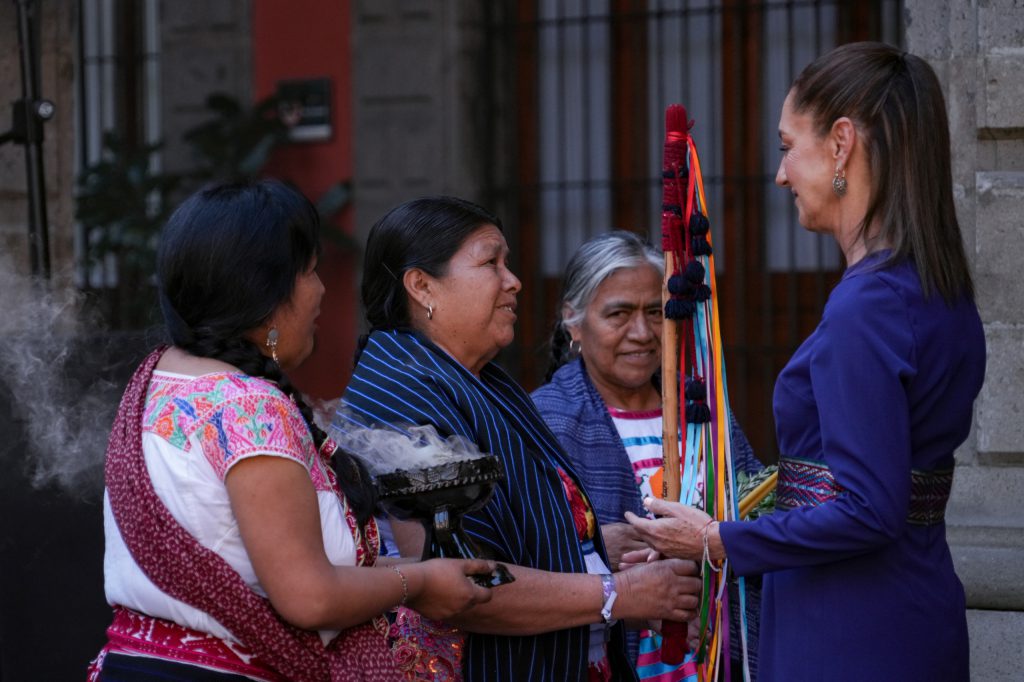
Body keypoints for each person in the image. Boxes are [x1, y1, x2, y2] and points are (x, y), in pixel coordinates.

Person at [625, 42, 985, 681]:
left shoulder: (867, 304)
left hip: (849, 626)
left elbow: (869, 508)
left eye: (789, 146)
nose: (781, 174)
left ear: (842, 143)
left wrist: (716, 541)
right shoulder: (936, 287)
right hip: (908, 606)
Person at [89, 180, 496, 681]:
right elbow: (310, 596)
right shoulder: (250, 407)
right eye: (310, 271)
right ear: (267, 293)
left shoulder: (158, 379)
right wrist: (422, 581)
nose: (322, 290)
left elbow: (268, 568)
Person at [332, 196, 704, 682]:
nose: (514, 281)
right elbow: (457, 582)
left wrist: (590, 550)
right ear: (422, 286)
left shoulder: (475, 381)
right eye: (491, 262)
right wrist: (619, 592)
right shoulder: (401, 392)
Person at [531, 230, 763, 679]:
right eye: (618, 313)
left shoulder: (704, 414)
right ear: (573, 322)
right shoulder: (545, 421)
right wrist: (598, 549)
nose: (641, 333)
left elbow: (755, 506)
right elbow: (518, 556)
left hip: (714, 662)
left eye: (655, 312)